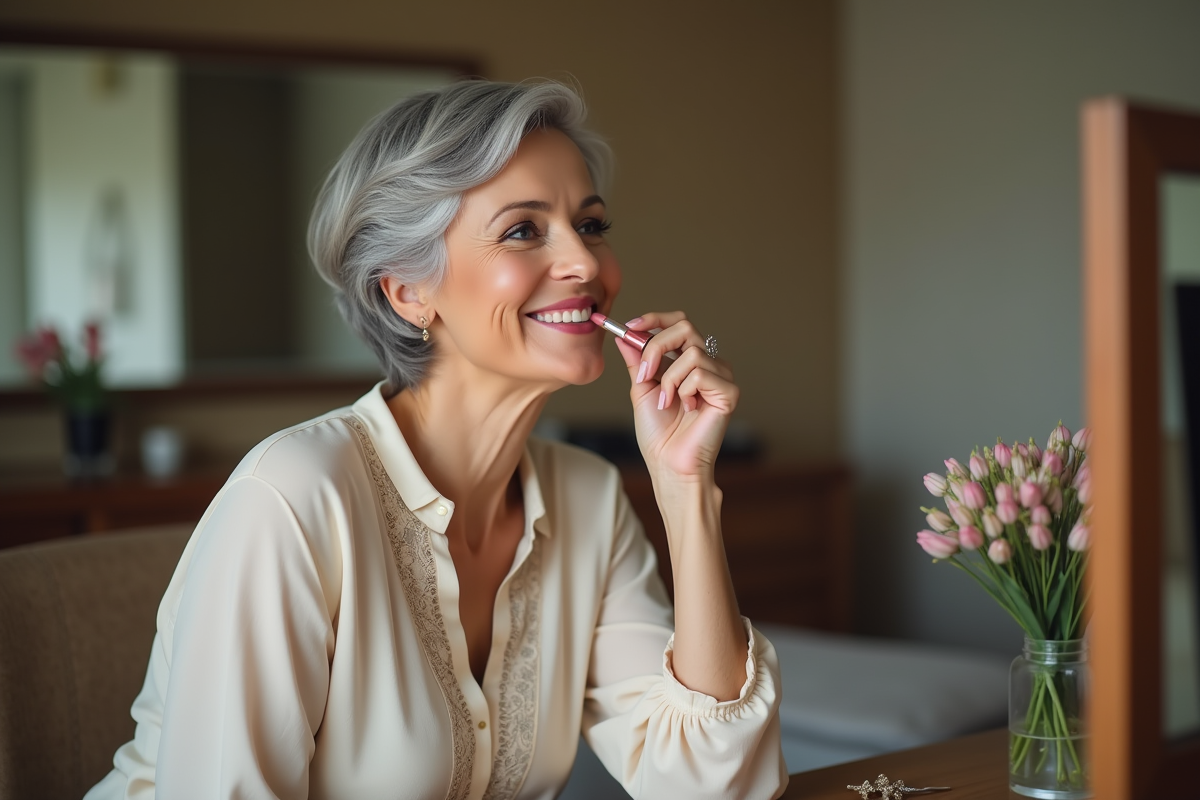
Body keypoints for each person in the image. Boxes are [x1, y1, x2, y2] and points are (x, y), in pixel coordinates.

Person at [87, 79, 787, 800]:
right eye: (524, 229)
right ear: (408, 292)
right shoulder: (292, 497)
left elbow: (712, 786)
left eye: (593, 224)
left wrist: (685, 490)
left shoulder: (589, 496)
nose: (584, 263)